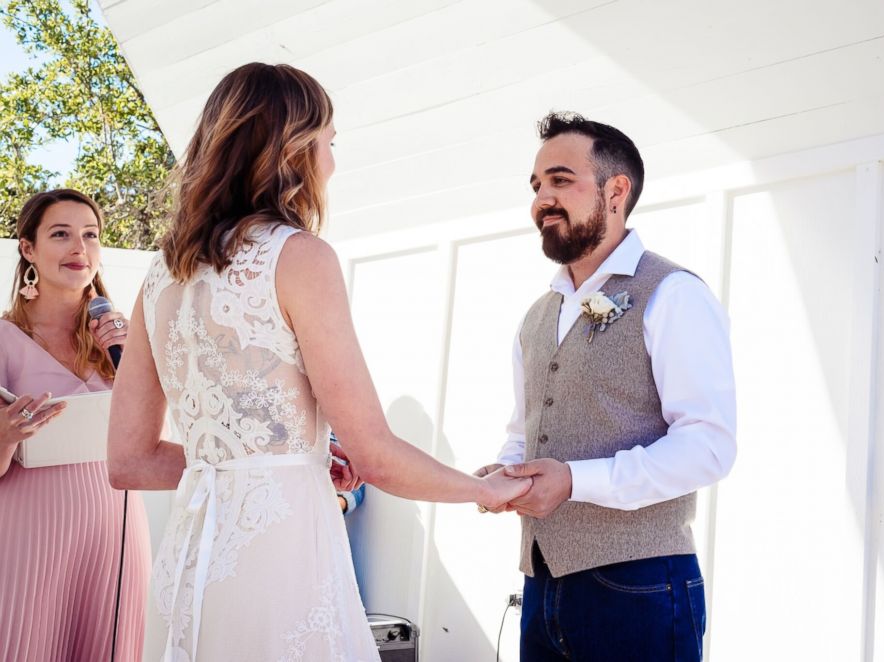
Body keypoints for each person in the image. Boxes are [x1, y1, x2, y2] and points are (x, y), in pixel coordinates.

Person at [106, 62, 531, 662]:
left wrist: (282, 460)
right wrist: (482, 490)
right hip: (282, 559)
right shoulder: (300, 258)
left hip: (193, 559)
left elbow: (130, 461)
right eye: (330, 142)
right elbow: (375, 454)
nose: (333, 161)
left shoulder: (160, 275)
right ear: (293, 149)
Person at [475, 112, 737, 662]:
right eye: (537, 185)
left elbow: (708, 447)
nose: (543, 198)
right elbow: (525, 431)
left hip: (639, 587)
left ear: (616, 191)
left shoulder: (673, 294)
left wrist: (574, 482)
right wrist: (508, 472)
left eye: (561, 180)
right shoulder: (535, 315)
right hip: (542, 583)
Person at [0, 189, 151, 662]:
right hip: (30, 527)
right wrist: (5, 436)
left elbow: (157, 431)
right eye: (60, 234)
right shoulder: (3, 339)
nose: (79, 248)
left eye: (90, 235)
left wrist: (128, 361)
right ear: (28, 249)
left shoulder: (124, 341)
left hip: (116, 523)